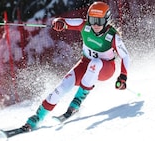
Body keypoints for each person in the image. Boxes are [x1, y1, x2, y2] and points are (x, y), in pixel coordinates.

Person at [21, 1, 130, 132]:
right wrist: (59, 23)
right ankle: (36, 118)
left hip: (106, 69)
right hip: (85, 64)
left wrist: (123, 76)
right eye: (92, 20)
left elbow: (125, 56)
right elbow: (62, 21)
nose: (95, 25)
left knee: (96, 63)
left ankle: (76, 102)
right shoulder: (84, 25)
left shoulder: (113, 37)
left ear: (106, 20)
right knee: (62, 86)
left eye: (99, 21)